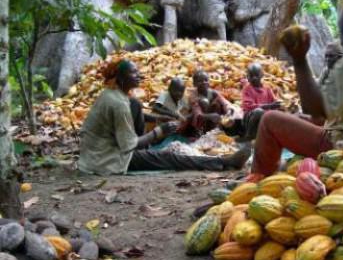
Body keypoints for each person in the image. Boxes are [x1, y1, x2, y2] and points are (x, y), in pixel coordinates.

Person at [248, 0, 343, 179]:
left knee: (269, 120)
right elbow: (323, 114)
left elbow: (314, 108)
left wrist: (299, 60)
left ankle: (256, 184)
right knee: (297, 119)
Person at [77, 59, 251, 176]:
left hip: (93, 151)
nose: (139, 76)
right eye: (133, 73)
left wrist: (155, 119)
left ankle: (145, 151)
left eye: (138, 72)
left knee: (136, 105)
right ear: (121, 78)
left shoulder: (111, 93)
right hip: (106, 159)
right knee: (168, 157)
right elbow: (128, 145)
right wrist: (160, 131)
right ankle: (224, 162)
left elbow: (135, 113)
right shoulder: (118, 104)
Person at [239, 63, 281, 141]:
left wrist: (278, 104)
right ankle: (249, 135)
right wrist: (268, 106)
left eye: (256, 75)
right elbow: (249, 106)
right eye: (251, 76)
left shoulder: (267, 89)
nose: (254, 78)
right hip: (250, 118)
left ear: (262, 75)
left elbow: (274, 101)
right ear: (247, 77)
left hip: (266, 118)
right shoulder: (247, 89)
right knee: (259, 111)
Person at [189, 70, 234, 135]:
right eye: (200, 81)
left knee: (217, 104)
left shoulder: (214, 93)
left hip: (213, 121)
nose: (204, 82)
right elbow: (197, 113)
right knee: (204, 102)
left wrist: (229, 111)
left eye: (206, 80)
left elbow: (225, 103)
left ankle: (216, 129)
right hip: (199, 122)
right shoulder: (193, 95)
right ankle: (199, 131)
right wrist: (209, 116)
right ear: (194, 83)